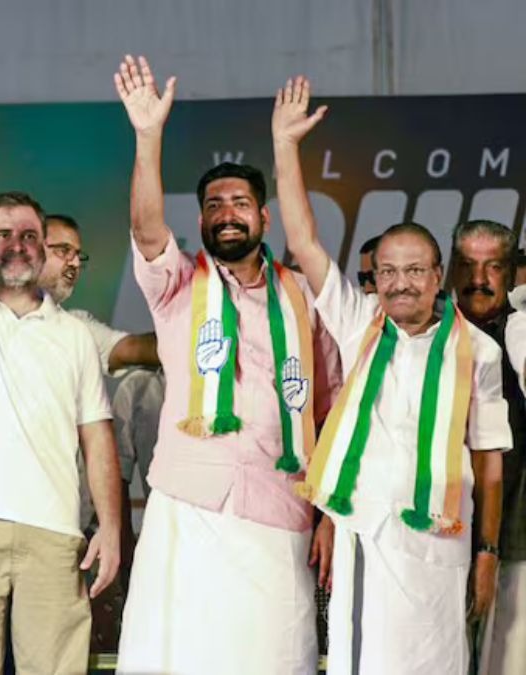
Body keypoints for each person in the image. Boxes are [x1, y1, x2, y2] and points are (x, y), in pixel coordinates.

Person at [113, 58, 342, 675]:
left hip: (279, 508)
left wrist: (328, 516)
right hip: (189, 505)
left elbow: (331, 414)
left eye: (241, 202)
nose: (227, 212)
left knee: (270, 658)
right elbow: (147, 230)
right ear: (201, 222)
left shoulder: (306, 300)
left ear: (264, 217)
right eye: (214, 205)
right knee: (173, 658)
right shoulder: (178, 286)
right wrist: (147, 135)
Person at [276, 77, 510, 675]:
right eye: (387, 272)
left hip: (443, 540)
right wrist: (285, 145)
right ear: (374, 278)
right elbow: (303, 240)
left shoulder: (479, 351)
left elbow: (489, 460)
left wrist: (487, 552)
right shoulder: (358, 323)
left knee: (441, 662)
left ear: (438, 275)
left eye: (414, 271)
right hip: (369, 534)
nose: (400, 284)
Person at [0, 109, 120, 673]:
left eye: (30, 236)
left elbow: (97, 438)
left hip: (55, 532)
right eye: (3, 235)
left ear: (45, 250)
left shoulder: (75, 335)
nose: (17, 245)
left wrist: (109, 527)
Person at [36, 213, 158, 576]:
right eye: (63, 251)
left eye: (79, 255)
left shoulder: (76, 328)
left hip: (62, 523)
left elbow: (131, 349)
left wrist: (202, 331)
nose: (74, 263)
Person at [446, 220, 526, 674]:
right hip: (436, 538)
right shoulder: (424, 333)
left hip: (515, 542)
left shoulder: (521, 335)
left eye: (492, 267)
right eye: (467, 265)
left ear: (511, 274)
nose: (478, 279)